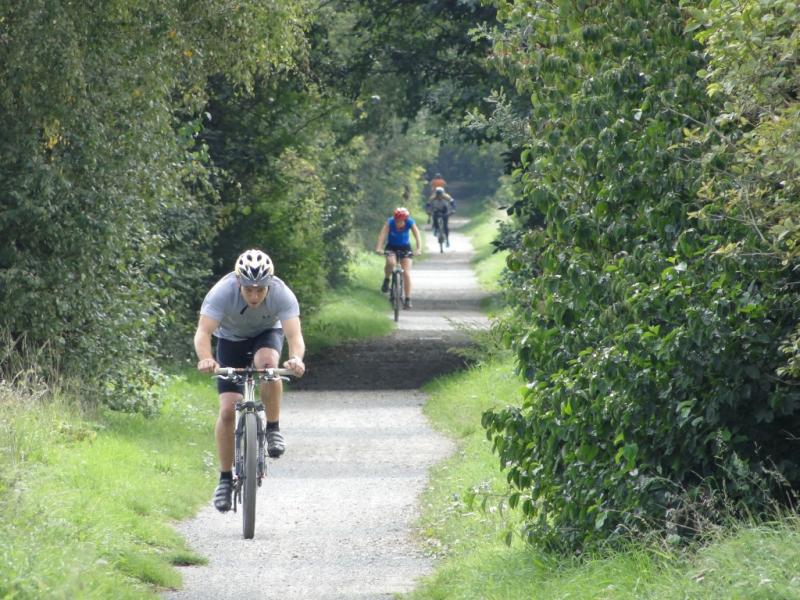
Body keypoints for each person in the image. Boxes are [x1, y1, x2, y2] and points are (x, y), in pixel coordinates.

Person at [194, 249, 307, 513]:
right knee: (227, 410)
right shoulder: (221, 293)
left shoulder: (282, 293)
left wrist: (296, 359)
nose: (254, 296)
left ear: (269, 285)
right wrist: (206, 359)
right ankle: (225, 479)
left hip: (267, 334)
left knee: (268, 366)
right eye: (248, 290)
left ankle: (273, 428)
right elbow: (203, 332)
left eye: (260, 290)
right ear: (238, 283)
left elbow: (294, 336)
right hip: (230, 341)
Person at [375, 207, 422, 309]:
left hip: (405, 247)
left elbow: (417, 235)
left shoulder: (410, 222)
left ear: (405, 219)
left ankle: (408, 299)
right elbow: (382, 235)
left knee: (406, 272)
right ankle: (387, 279)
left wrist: (418, 248)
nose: (398, 222)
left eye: (401, 220)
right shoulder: (390, 222)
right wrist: (378, 248)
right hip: (391, 247)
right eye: (397, 220)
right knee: (391, 263)